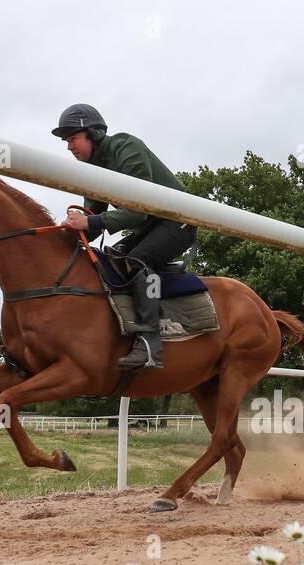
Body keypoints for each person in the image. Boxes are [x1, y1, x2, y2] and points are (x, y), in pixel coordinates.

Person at [52, 103, 197, 369]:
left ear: (93, 134)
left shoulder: (125, 147)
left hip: (178, 221)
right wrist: (66, 234)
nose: (69, 147)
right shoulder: (92, 169)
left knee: (137, 260)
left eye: (73, 139)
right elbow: (93, 225)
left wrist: (88, 220)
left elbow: (137, 212)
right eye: (66, 141)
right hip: (149, 227)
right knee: (112, 257)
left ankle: (151, 346)